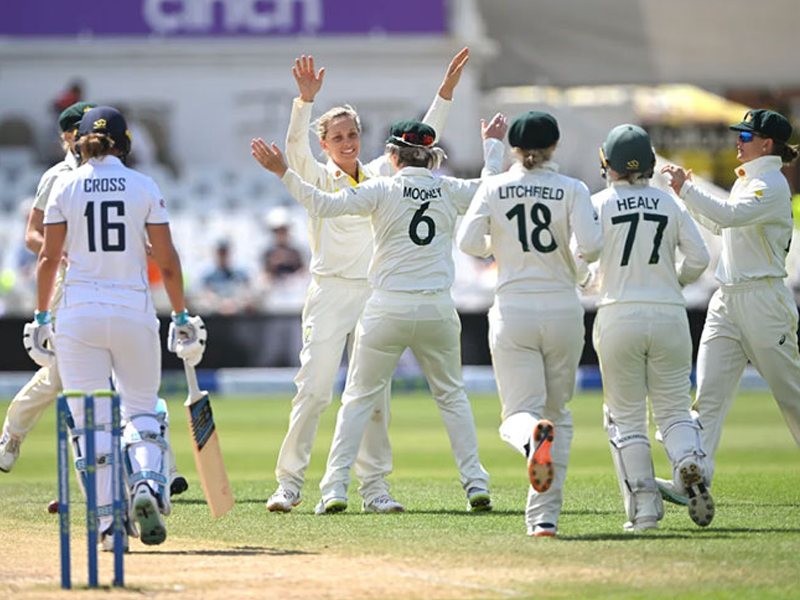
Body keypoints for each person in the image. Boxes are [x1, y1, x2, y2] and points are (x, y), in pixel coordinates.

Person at [252, 113, 506, 513]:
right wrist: (492, 146)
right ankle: (475, 483)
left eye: (353, 133)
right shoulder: (448, 188)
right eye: (339, 135)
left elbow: (321, 204)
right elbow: (490, 188)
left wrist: (282, 172)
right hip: (412, 301)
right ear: (430, 156)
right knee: (446, 397)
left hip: (384, 302)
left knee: (362, 399)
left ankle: (348, 488)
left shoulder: (380, 186)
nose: (348, 141)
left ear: (391, 154)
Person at [25, 106, 205, 549]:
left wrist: (42, 316)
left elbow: (48, 258)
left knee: (90, 422)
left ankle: (109, 528)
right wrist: (181, 315)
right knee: (141, 411)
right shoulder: (144, 184)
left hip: (78, 315)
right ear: (125, 143)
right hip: (132, 312)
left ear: (79, 142)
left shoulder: (65, 183)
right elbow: (167, 260)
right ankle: (145, 484)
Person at [457, 111, 603, 536]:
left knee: (517, 416)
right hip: (562, 309)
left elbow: (468, 243)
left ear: (516, 150)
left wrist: (495, 243)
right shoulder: (573, 188)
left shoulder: (495, 185)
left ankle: (529, 439)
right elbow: (590, 247)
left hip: (513, 310)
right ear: (554, 146)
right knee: (560, 414)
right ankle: (544, 518)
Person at [659, 109, 800, 503]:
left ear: (766, 144)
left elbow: (729, 215)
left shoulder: (770, 184)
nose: (737, 141)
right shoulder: (750, 180)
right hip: (728, 298)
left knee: (792, 396)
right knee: (708, 395)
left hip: (764, 300)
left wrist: (685, 189)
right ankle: (695, 478)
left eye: (745, 135)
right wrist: (685, 193)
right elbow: (722, 225)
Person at [589, 124, 712, 530]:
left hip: (618, 314)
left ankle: (644, 513)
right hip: (669, 315)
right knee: (674, 409)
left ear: (608, 163)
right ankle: (688, 460)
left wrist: (590, 282)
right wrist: (673, 281)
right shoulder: (669, 203)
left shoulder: (599, 203)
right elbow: (698, 258)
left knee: (625, 418)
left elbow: (578, 261)